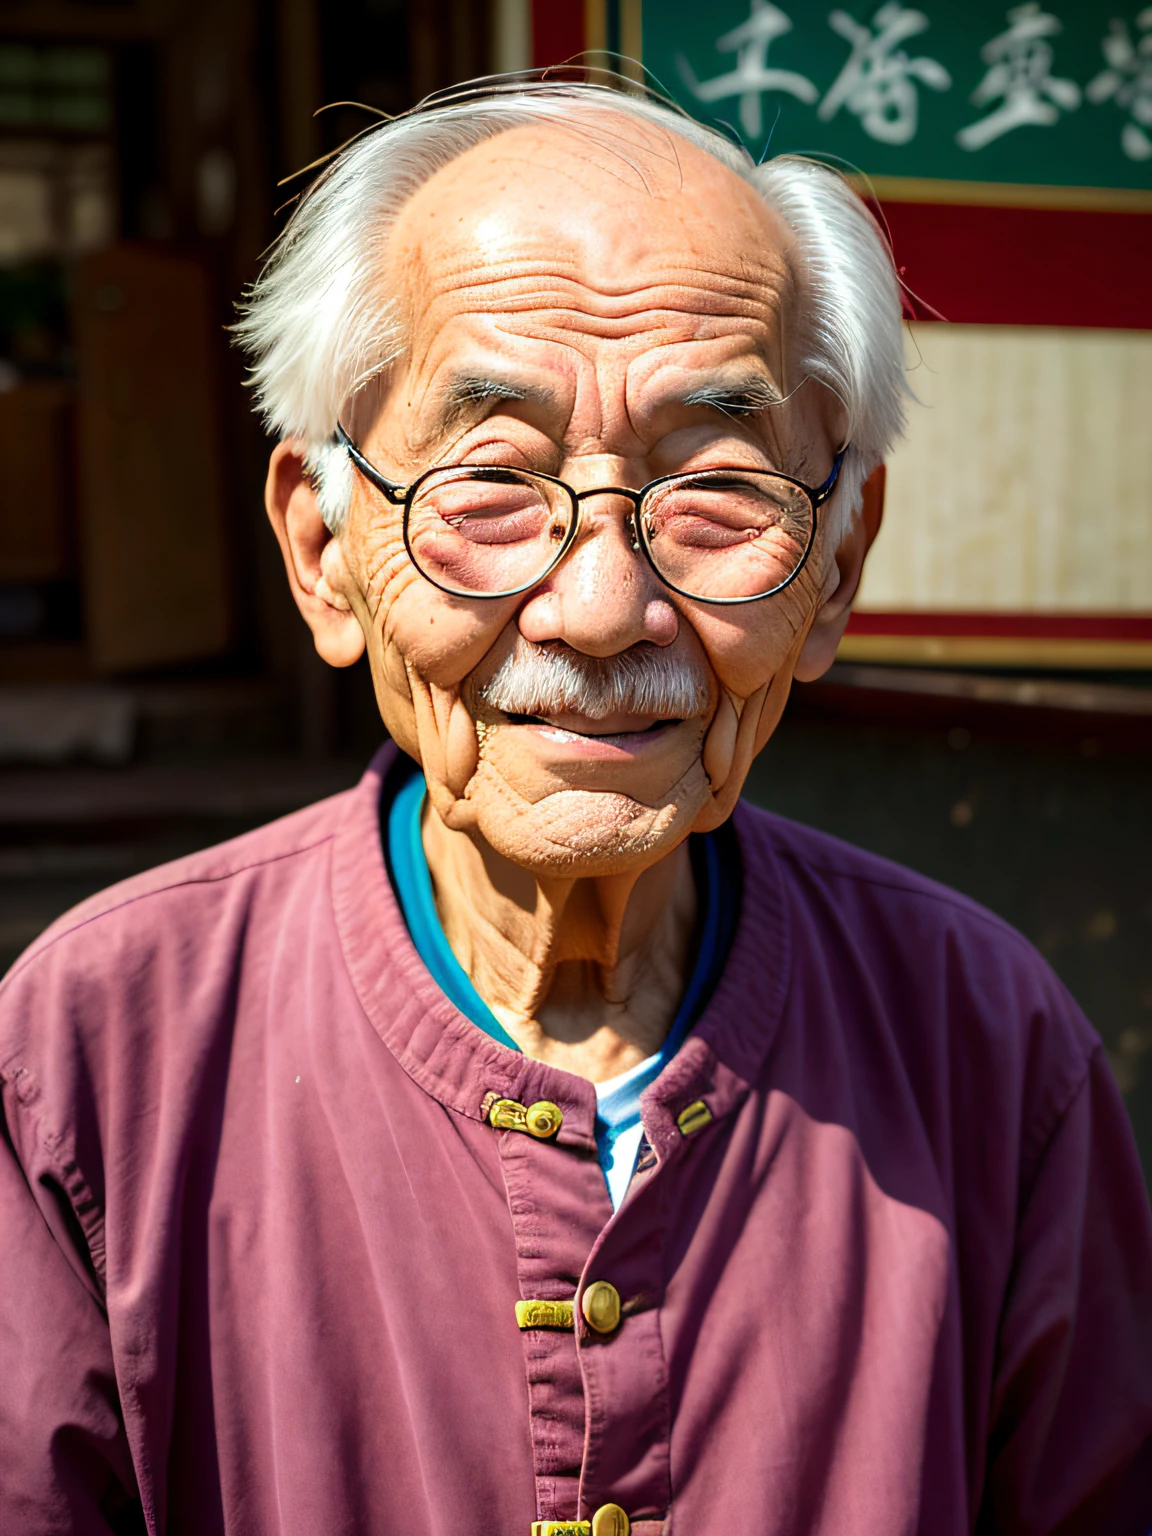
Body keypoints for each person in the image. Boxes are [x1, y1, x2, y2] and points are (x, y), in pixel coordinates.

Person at [1, 74, 1149, 1536]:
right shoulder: (90, 1061)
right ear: (323, 549)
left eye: (717, 494)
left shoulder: (990, 1052)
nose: (604, 611)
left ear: (837, 575)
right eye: (491, 484)